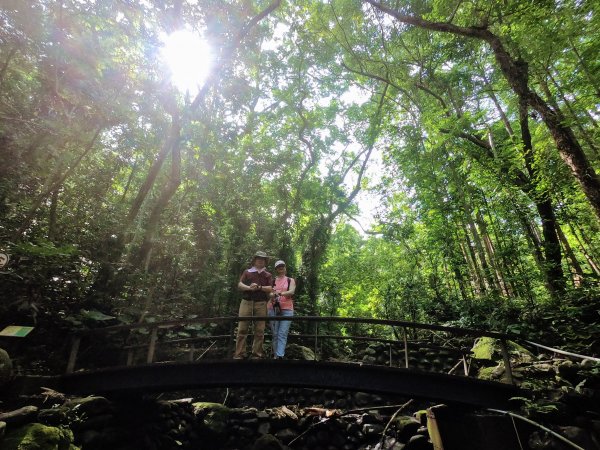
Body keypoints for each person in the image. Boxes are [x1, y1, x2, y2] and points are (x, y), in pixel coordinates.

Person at [234, 251, 273, 359]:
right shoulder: (247, 272)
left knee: (260, 330)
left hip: (261, 303)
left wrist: (259, 287)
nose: (260, 260)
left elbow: (270, 288)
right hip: (246, 302)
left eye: (263, 259)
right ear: (255, 260)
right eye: (258, 258)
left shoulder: (267, 275)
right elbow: (240, 284)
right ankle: (240, 354)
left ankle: (257, 354)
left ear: (265, 261)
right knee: (242, 328)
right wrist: (249, 288)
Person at [268, 260, 296, 359]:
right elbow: (270, 293)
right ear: (276, 269)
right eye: (279, 267)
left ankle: (280, 356)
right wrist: (273, 295)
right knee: (275, 333)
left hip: (287, 309)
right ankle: (276, 355)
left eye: (282, 266)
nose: (281, 268)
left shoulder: (290, 280)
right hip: (273, 308)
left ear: (285, 267)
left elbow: (291, 291)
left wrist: (280, 293)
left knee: (282, 333)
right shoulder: (272, 280)